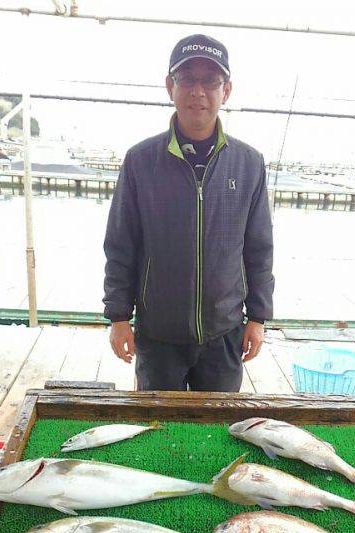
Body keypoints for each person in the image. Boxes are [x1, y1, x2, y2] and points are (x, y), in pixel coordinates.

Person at [103, 33, 274, 391]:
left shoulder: (249, 163)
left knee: (219, 434)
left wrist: (257, 317)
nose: (199, 91)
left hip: (225, 334)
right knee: (155, 431)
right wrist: (119, 316)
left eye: (210, 80)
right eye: (187, 79)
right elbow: (121, 245)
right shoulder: (140, 161)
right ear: (170, 86)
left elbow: (259, 249)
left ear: (226, 90)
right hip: (158, 336)